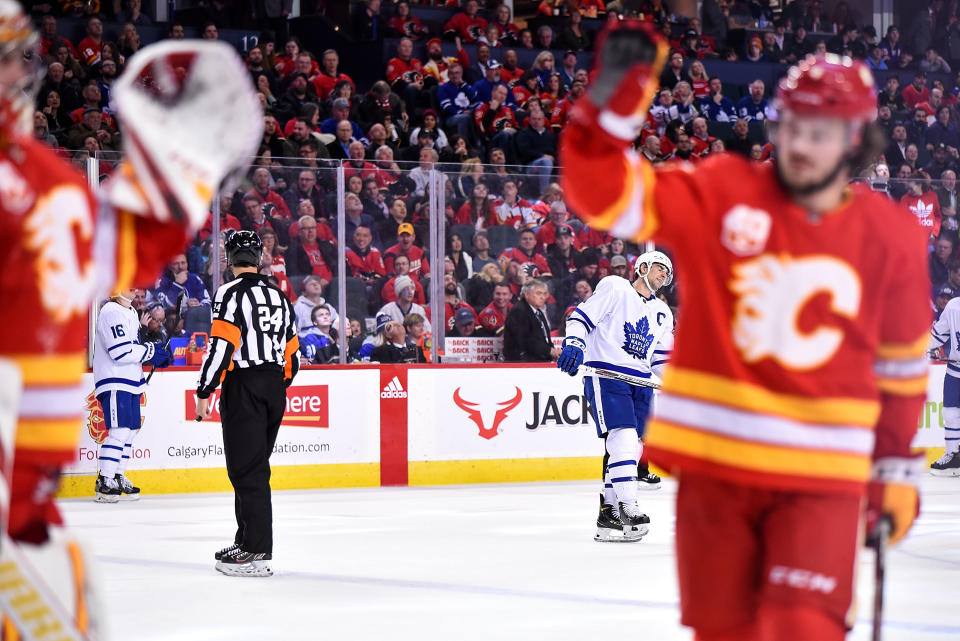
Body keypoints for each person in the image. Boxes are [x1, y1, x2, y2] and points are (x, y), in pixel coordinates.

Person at [560, 22, 929, 641]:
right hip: (718, 478)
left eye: (820, 133)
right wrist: (612, 106)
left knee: (801, 628)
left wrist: (894, 467)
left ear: (856, 142)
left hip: (821, 479)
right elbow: (601, 192)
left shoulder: (889, 236)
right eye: (791, 127)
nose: (800, 146)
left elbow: (900, 369)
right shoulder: (723, 193)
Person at [0, 3, 263, 634]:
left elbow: (112, 253)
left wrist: (181, 178)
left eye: (15, 57)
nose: (14, 71)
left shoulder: (49, 181)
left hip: (26, 508)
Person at [197, 231, 300, 578]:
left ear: (229, 259)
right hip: (274, 386)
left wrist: (204, 390)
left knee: (247, 470)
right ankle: (246, 540)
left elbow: (221, 347)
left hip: (245, 385)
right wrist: (275, 385)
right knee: (254, 467)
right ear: (259, 258)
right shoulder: (279, 296)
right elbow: (292, 355)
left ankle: (257, 551)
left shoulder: (228, 293)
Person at [557, 251, 675, 541]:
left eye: (668, 273)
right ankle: (629, 505)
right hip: (607, 375)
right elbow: (581, 318)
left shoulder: (662, 312)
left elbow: (661, 361)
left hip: (642, 383)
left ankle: (608, 515)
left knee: (632, 448)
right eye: (660, 269)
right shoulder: (615, 286)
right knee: (621, 439)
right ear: (643, 267)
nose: (664, 276)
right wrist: (574, 343)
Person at [92, 290, 172, 501]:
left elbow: (134, 349)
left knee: (129, 432)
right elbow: (120, 351)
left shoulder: (130, 313)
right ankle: (104, 481)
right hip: (115, 380)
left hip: (130, 381)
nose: (135, 289)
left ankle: (117, 476)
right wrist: (152, 352)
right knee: (119, 431)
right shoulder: (111, 311)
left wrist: (151, 352)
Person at [929, 292, 960, 474]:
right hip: (955, 369)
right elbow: (939, 333)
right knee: (949, 413)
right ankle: (952, 455)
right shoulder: (954, 306)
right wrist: (917, 346)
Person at [503, 279, 558, 362]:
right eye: (538, 293)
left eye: (544, 294)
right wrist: (548, 351)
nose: (543, 297)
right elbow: (525, 339)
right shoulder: (519, 310)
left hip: (538, 361)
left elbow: (543, 338)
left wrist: (552, 351)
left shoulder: (538, 311)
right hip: (522, 363)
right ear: (527, 294)